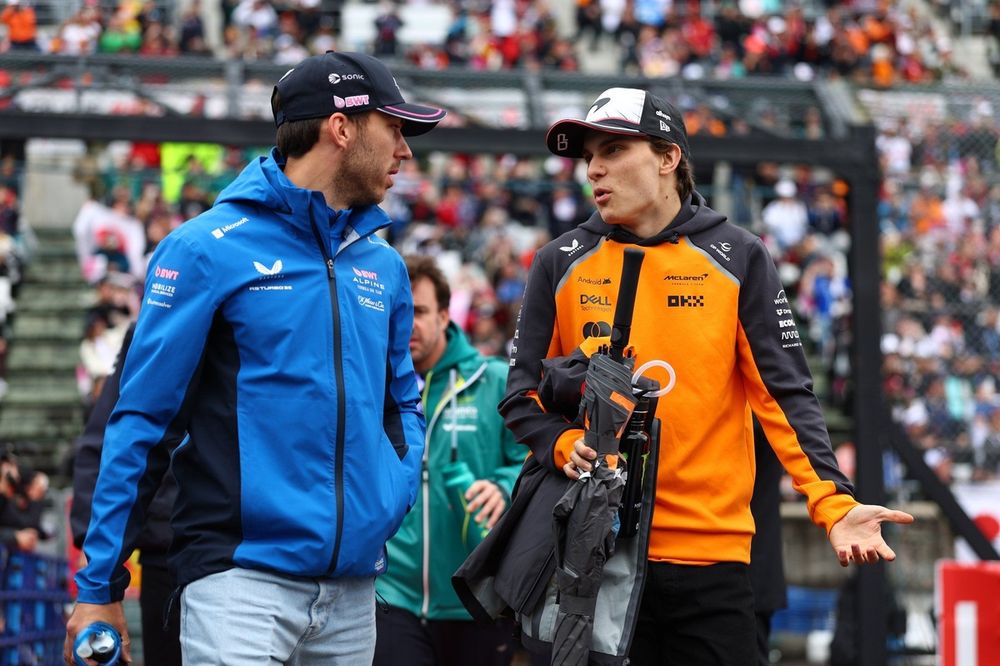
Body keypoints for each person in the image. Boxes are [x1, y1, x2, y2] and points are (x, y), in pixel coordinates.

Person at [499, 87, 914, 664]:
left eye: (614, 149)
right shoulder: (558, 261)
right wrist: (563, 442)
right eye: (589, 154)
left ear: (668, 158)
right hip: (593, 555)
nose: (594, 167)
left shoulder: (739, 256)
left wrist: (834, 505)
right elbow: (519, 395)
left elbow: (785, 397)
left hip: (710, 562)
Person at [64, 51, 444, 665]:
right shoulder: (202, 249)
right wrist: (100, 583)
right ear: (341, 128)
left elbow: (402, 401)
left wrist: (390, 494)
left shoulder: (385, 265)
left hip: (354, 594)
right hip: (237, 581)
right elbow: (140, 422)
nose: (405, 152)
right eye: (395, 129)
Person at [373, 255, 524, 666]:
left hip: (474, 600)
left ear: (444, 315)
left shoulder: (492, 380)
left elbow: (530, 464)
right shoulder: (371, 387)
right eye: (398, 313)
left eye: (418, 312)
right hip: (391, 597)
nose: (407, 325)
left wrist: (501, 486)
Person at [70, 322, 183, 666]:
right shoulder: (160, 321)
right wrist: (98, 577)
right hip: (170, 553)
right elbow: (103, 445)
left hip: (281, 547)